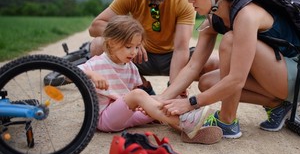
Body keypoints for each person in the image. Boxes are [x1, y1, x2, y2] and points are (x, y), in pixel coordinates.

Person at [158, 0, 300, 138]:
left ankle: (227, 122)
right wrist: (163, 98)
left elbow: (237, 80)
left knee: (230, 40)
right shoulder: (214, 19)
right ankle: (278, 105)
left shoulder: (246, 14)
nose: (189, 0)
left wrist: (191, 103)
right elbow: (193, 66)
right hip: (278, 72)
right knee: (207, 83)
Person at [87, 0, 218, 95]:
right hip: (139, 56)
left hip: (172, 57)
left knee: (214, 63)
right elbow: (95, 26)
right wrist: (128, 38)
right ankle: (142, 87)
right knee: (97, 45)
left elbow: (181, 48)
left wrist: (174, 90)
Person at [79, 15, 220, 143]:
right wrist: (91, 75)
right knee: (140, 95)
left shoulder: (130, 67)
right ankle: (185, 121)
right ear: (110, 43)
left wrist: (150, 105)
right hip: (104, 119)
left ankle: (188, 131)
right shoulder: (96, 64)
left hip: (126, 116)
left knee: (160, 101)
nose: (134, 52)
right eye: (128, 47)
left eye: (137, 47)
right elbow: (71, 73)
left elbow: (133, 99)